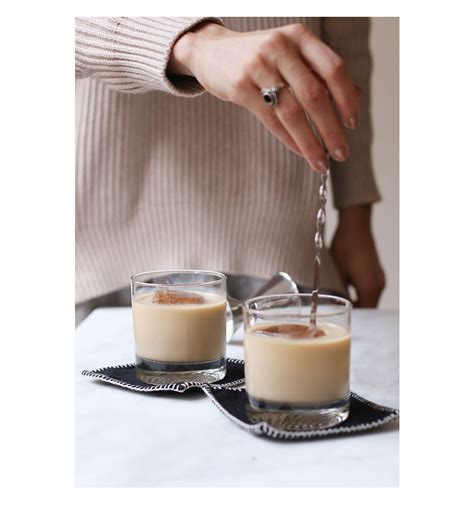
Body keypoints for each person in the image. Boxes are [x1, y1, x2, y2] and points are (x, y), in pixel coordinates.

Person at [75, 16, 385, 323]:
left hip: (285, 246)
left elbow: (343, 49)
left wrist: (356, 216)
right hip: (107, 254)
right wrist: (193, 45)